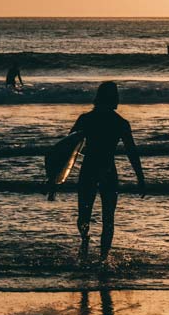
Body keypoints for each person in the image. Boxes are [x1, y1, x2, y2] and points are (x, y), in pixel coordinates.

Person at [54, 81, 146, 264]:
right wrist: (140, 177)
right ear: (113, 98)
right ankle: (103, 259)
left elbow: (66, 148)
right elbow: (132, 152)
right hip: (108, 170)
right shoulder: (120, 123)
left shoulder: (86, 119)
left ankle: (85, 243)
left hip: (89, 169)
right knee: (108, 218)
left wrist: (54, 178)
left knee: (84, 215)